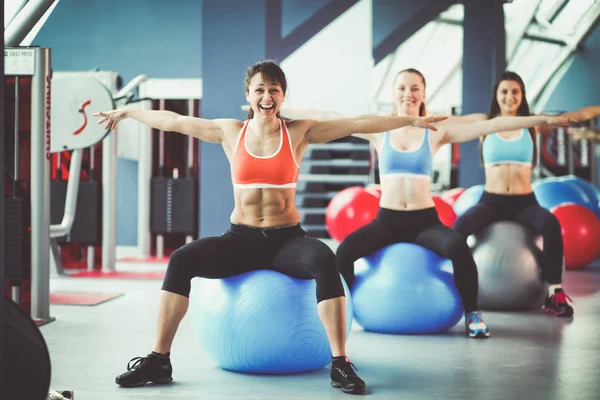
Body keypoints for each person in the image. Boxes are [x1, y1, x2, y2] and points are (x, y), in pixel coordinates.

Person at [93, 60, 447, 395]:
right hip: (240, 240)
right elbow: (173, 121)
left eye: (274, 90)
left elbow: (357, 123)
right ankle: (159, 360)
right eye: (260, 90)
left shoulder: (299, 132)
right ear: (247, 94)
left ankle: (340, 363)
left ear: (282, 95)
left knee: (326, 259)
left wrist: (410, 122)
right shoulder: (229, 131)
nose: (267, 97)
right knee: (182, 259)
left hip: (286, 241)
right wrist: (128, 112)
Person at [277, 68, 573, 338]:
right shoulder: (379, 129)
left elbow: (492, 125)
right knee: (344, 252)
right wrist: (279, 109)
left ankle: (472, 314)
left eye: (415, 88)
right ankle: (344, 312)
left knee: (458, 247)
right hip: (387, 221)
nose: (409, 94)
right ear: (394, 93)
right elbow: (328, 115)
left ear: (424, 93)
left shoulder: (436, 129)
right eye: (403, 88)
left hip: (423, 222)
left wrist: (543, 120)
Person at [450, 71, 600, 318]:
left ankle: (555, 293)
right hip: (491, 201)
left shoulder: (532, 123)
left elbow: (578, 116)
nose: (510, 97)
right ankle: (457, 288)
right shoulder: (485, 121)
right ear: (496, 96)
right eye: (504, 92)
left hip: (523, 202)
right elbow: (449, 120)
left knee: (551, 224)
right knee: (461, 226)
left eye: (515, 92)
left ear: (522, 96)